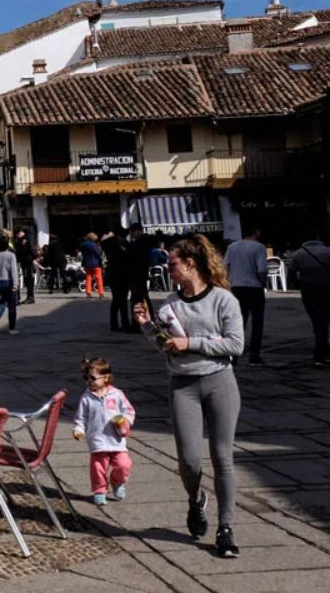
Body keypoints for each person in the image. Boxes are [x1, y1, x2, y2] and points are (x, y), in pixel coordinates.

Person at [135, 235, 244, 559]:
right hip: (183, 385)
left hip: (219, 382)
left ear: (190, 264)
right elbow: (167, 345)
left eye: (172, 264)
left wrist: (193, 343)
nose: (168, 269)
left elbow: (236, 345)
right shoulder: (170, 304)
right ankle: (196, 499)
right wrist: (146, 327)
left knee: (223, 458)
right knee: (189, 461)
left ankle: (226, 528)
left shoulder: (224, 300)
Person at [72, 356, 135, 505]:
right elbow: (81, 417)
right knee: (98, 468)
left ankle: (117, 482)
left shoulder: (117, 394)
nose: (89, 381)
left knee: (123, 464)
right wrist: (79, 429)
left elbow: (129, 411)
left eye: (92, 377)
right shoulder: (86, 397)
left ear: (106, 378)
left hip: (116, 440)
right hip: (97, 440)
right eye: (86, 377)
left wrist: (125, 420)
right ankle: (100, 490)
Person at [224, 227, 268, 366]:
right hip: (254, 288)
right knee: (257, 323)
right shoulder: (259, 247)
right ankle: (254, 356)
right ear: (257, 233)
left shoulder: (232, 246)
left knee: (238, 322)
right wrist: (263, 283)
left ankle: (233, 355)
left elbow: (226, 266)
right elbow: (261, 270)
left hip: (236, 287)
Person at [286, 237, 330, 366]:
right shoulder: (328, 251)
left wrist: (300, 285)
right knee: (324, 321)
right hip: (327, 288)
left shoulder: (298, 254)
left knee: (317, 322)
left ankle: (320, 355)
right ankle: (323, 352)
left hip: (308, 290)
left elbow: (292, 275)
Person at [0, 234, 19, 336]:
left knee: (0, 305)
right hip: (8, 281)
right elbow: (13, 270)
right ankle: (12, 328)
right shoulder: (11, 255)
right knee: (12, 306)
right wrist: (15, 283)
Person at [80, 233, 106, 298]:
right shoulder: (94, 245)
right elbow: (98, 254)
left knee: (88, 278)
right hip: (96, 264)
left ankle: (88, 292)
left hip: (87, 264)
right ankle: (101, 293)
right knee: (99, 278)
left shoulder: (83, 245)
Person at [15, 229, 37, 304]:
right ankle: (29, 297)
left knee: (29, 279)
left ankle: (30, 297)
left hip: (28, 262)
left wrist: (32, 258)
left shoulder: (25, 240)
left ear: (22, 233)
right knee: (27, 279)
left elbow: (31, 251)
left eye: (19, 233)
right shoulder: (20, 240)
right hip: (25, 262)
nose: (17, 234)